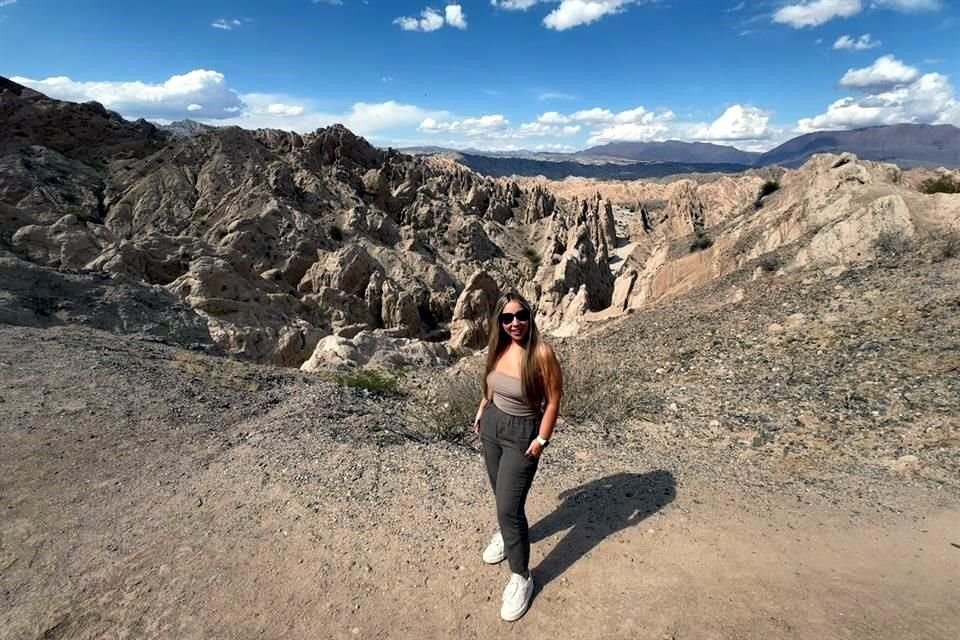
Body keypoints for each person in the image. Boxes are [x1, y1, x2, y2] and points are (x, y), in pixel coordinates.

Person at [472, 291, 563, 621]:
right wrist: (483, 407)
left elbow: (553, 401)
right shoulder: (498, 347)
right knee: (501, 496)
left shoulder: (541, 353)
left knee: (509, 507)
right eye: (507, 318)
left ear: (530, 316)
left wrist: (541, 439)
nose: (515, 323)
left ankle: (522, 576)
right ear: (500, 321)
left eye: (520, 316)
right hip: (493, 426)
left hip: (523, 433)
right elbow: (490, 381)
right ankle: (508, 535)